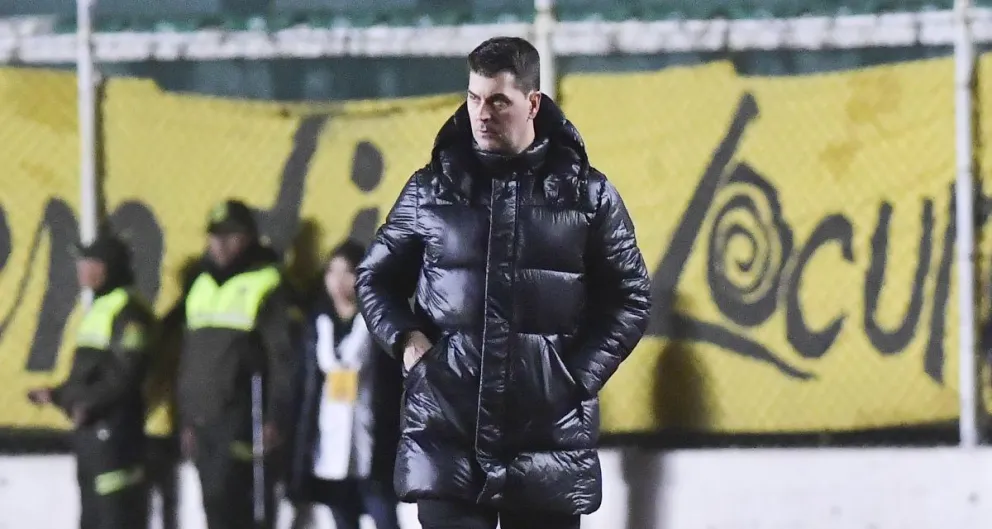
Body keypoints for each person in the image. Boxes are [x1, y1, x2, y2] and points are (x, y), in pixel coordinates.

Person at [355, 36, 652, 529]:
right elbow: (374, 277)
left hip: (547, 445)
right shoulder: (431, 188)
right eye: (473, 98)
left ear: (532, 103)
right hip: (446, 439)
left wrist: (575, 377)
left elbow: (632, 296)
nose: (481, 113)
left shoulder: (588, 193)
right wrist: (408, 342)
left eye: (498, 100)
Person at [175, 199, 299, 529]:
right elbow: (189, 358)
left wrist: (275, 417)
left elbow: (282, 360)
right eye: (214, 236)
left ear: (248, 237)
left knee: (238, 507)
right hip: (203, 418)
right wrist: (185, 417)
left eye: (230, 235)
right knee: (214, 507)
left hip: (243, 416)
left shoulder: (268, 282)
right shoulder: (199, 285)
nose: (220, 243)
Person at [28, 231, 157, 529]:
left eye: (90, 261)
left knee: (115, 516)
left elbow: (126, 376)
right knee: (92, 518)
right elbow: (91, 373)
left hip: (114, 435)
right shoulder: (100, 307)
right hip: (91, 435)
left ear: (108, 266)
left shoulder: (129, 312)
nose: (81, 268)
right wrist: (57, 394)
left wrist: (84, 403)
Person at [287, 239, 403, 529]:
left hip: (372, 442)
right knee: (342, 519)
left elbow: (394, 388)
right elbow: (305, 387)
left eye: (347, 272)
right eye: (332, 272)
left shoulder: (380, 321)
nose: (339, 281)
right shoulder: (317, 324)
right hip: (330, 443)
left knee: (384, 516)